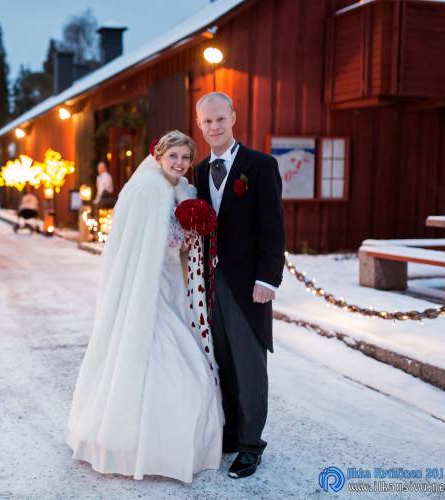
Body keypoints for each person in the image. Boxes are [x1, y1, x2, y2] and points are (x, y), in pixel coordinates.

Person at [68, 131, 224, 483]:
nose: (179, 164)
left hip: (173, 283)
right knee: (159, 355)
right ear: (159, 156)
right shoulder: (145, 190)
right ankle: (139, 445)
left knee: (187, 357)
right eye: (174, 157)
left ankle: (182, 445)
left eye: (185, 158)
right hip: (146, 283)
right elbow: (143, 240)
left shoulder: (184, 190)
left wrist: (193, 227)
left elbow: (180, 244)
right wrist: (183, 232)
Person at [193, 92, 285, 479]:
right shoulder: (197, 172)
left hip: (249, 286)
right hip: (209, 286)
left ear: (232, 117)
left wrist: (268, 278)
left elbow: (273, 227)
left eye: (220, 118)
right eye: (207, 121)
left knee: (250, 367)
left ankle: (250, 446)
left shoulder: (260, 166)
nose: (214, 126)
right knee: (224, 364)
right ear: (200, 125)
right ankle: (231, 433)